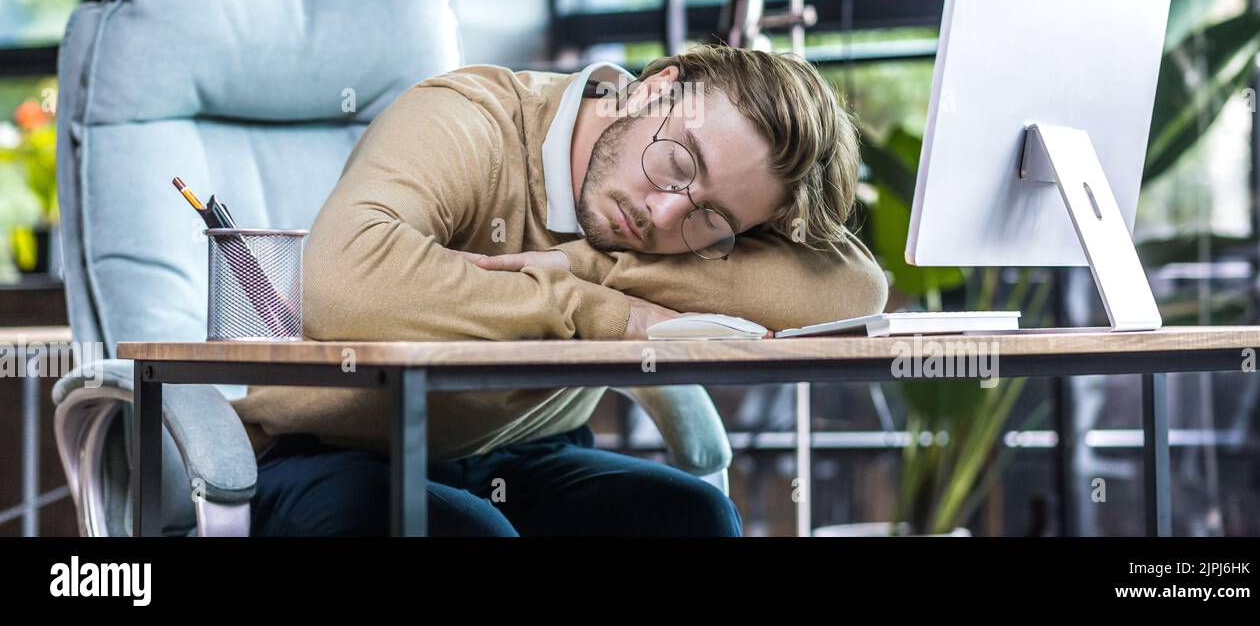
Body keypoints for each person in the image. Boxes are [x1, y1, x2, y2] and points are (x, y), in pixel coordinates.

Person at [233, 44, 889, 535]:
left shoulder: (668, 217)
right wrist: (600, 315)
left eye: (709, 218)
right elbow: (345, 282)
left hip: (525, 453)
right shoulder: (472, 120)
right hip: (335, 452)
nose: (662, 216)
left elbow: (855, 288)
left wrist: (588, 269)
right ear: (651, 89)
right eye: (676, 164)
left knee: (694, 519)